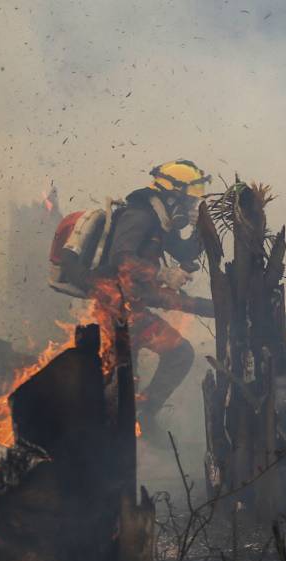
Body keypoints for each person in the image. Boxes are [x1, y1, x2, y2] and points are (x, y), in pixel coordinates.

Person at [58, 159, 209, 435]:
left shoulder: (161, 223)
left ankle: (144, 414)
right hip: (112, 309)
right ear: (172, 196)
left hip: (133, 309)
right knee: (124, 382)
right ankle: (116, 437)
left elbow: (185, 252)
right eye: (188, 202)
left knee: (177, 355)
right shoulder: (139, 216)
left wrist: (202, 229)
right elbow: (122, 259)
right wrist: (164, 274)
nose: (189, 208)